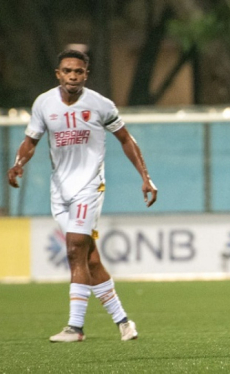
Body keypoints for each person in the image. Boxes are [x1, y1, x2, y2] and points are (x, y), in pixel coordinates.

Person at [6, 49, 158, 343]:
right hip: (59, 190)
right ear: (58, 73)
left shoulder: (100, 104)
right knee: (88, 257)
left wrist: (145, 177)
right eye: (67, 71)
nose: (72, 76)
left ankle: (75, 328)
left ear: (86, 74)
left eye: (78, 71)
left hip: (89, 186)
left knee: (75, 248)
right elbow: (30, 141)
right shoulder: (44, 103)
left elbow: (126, 139)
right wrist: (18, 163)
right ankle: (124, 322)